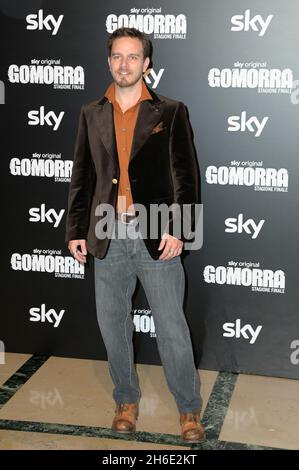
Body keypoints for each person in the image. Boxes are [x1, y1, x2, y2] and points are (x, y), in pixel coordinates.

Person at [65, 27, 205, 442]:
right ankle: (125, 400)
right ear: (109, 62)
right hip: (105, 231)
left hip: (157, 233)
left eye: (132, 57)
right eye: (117, 57)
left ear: (147, 64)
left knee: (172, 327)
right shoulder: (91, 112)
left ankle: (189, 410)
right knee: (113, 325)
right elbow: (82, 176)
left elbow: (186, 177)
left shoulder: (171, 111)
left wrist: (179, 230)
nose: (124, 64)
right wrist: (75, 230)